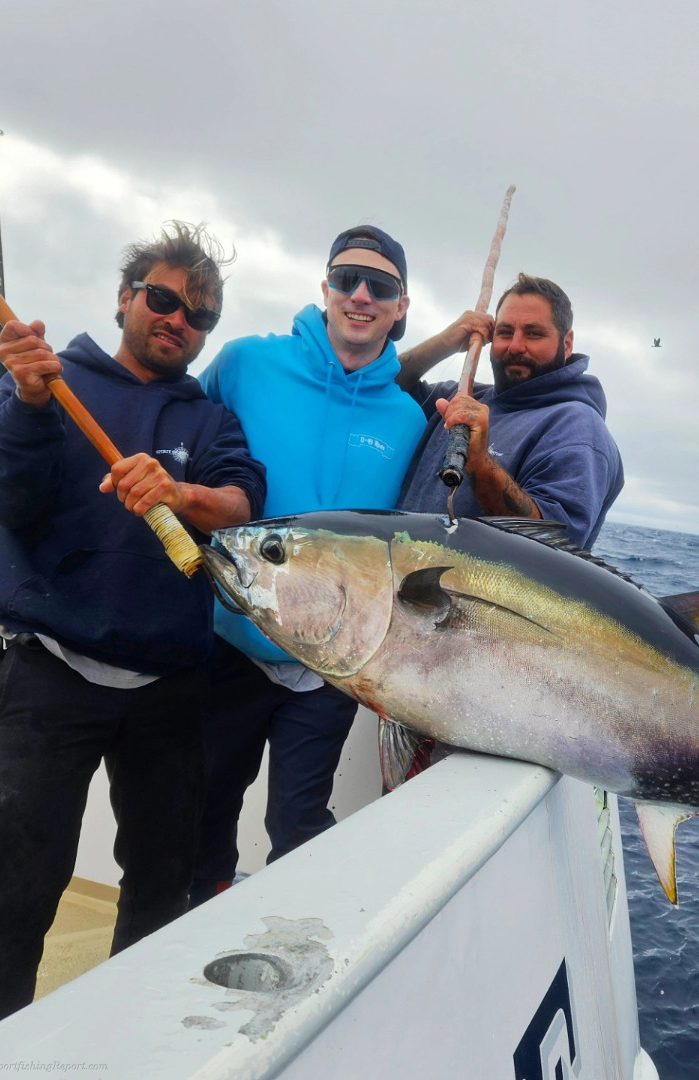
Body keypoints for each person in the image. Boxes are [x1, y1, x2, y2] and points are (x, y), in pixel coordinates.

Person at [0, 221, 267, 1035]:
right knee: (11, 885)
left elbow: (242, 501)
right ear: (126, 299)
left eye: (198, 315)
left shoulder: (205, 421)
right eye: (163, 298)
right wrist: (30, 404)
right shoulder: (48, 379)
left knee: (161, 885)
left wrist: (179, 493)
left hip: (169, 689)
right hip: (48, 673)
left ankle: (132, 1043)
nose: (178, 320)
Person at [191, 226, 490, 905]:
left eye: (379, 287)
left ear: (399, 306)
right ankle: (192, 933)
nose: (360, 295)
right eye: (345, 279)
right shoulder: (244, 365)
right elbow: (186, 438)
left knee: (298, 820)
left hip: (329, 665)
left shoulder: (406, 418)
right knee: (205, 805)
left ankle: (298, 946)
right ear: (323, 289)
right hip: (230, 642)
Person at [398, 273, 624, 549]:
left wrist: (480, 464)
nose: (516, 346)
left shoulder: (578, 426)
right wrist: (446, 342)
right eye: (505, 332)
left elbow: (555, 547)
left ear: (566, 344)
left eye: (533, 333)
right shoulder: (458, 397)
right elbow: (382, 385)